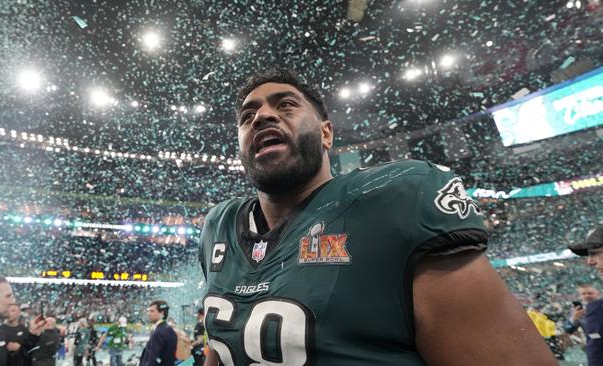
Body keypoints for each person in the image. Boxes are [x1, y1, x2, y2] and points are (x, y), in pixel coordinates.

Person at [198, 68, 556, 365]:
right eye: (248, 116)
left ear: (326, 133)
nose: (262, 116)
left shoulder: (396, 199)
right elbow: (222, 341)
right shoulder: (220, 225)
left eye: (286, 105)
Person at [568, 225, 603, 365]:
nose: (590, 261)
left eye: (594, 253)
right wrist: (573, 320)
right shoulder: (596, 308)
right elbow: (568, 329)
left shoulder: (598, 309)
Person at [139, 300, 177, 366]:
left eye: (152, 311)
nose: (148, 313)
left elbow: (153, 359)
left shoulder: (159, 332)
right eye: (148, 311)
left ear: (161, 313)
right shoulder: (170, 330)